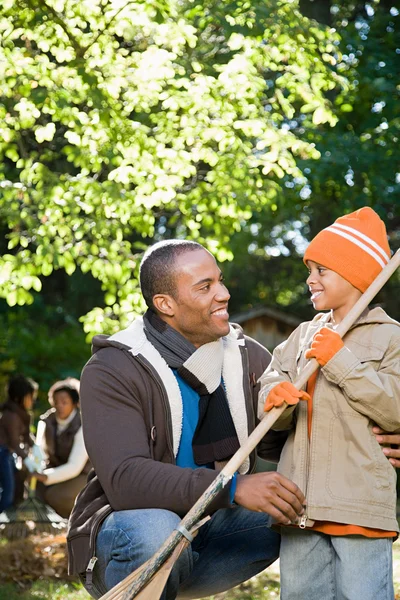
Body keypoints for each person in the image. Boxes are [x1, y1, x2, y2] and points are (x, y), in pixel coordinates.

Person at [68, 237, 399, 600]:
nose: (224, 294)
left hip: (211, 531)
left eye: (220, 280)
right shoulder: (114, 367)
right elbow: (126, 480)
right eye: (205, 287)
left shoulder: (246, 358)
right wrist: (234, 488)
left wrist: (379, 436)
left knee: (307, 504)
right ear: (165, 304)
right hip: (133, 537)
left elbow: (286, 435)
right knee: (155, 528)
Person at [259, 207, 400, 600]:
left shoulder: (391, 339)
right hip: (299, 506)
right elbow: (272, 380)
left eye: (321, 270)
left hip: (359, 507)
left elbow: (395, 410)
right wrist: (274, 398)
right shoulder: (303, 336)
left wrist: (340, 360)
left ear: (356, 275)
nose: (310, 279)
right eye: (310, 269)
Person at [33, 378, 90, 518]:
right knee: (36, 491)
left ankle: (73, 524)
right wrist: (34, 468)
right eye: (56, 402)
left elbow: (75, 466)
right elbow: (38, 448)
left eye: (64, 402)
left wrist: (46, 476)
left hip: (84, 474)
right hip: (56, 469)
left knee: (55, 496)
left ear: (74, 403)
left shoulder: (83, 425)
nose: (59, 406)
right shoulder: (47, 420)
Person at [0, 374, 37, 512]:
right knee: (8, 490)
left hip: (7, 455)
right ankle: (3, 520)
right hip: (2, 454)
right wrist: (27, 459)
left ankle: (11, 517)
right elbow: (15, 442)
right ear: (18, 397)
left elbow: (27, 436)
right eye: (30, 397)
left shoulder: (21, 414)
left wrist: (36, 447)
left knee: (16, 485)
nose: (32, 400)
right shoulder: (11, 416)